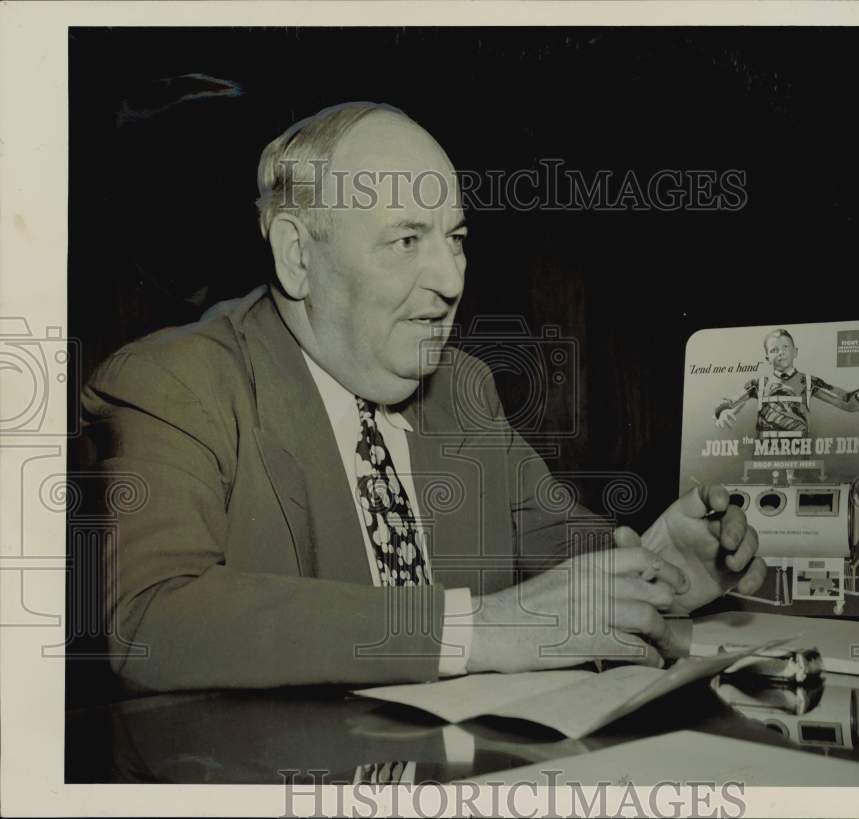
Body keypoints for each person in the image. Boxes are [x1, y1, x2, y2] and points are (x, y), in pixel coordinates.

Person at [82, 102, 766, 693]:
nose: (449, 278)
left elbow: (561, 554)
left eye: (456, 239)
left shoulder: (463, 387)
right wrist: (479, 629)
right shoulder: (175, 383)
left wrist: (660, 570)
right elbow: (151, 620)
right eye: (407, 239)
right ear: (298, 256)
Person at [713, 328, 859, 438]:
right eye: (774, 350)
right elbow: (729, 400)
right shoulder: (758, 384)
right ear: (767, 358)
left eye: (785, 347)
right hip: (764, 456)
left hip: (799, 455)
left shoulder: (809, 382)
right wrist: (723, 411)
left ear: (795, 352)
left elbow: (847, 403)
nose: (780, 353)